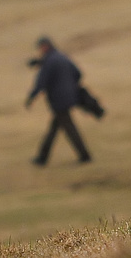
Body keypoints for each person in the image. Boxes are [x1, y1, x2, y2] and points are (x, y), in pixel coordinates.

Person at [25, 36, 92, 166]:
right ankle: (42, 158)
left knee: (69, 128)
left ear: (45, 46)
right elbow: (77, 73)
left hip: (59, 101)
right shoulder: (61, 56)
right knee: (54, 129)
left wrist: (31, 97)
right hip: (69, 97)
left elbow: (41, 82)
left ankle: (85, 156)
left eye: (40, 48)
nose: (40, 50)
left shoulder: (50, 61)